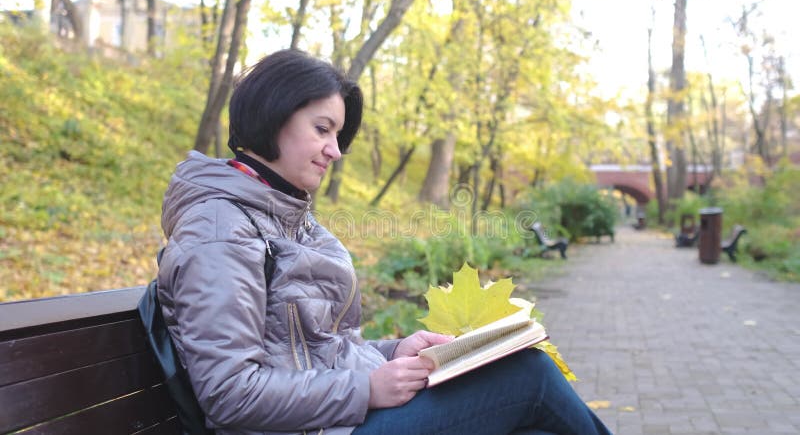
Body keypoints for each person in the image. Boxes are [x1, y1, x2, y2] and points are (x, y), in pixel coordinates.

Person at [157, 49, 612, 435]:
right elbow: (229, 393)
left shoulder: (285, 216)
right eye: (322, 129)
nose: (335, 150)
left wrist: (395, 351)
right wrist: (368, 388)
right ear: (273, 115)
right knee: (527, 374)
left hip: (330, 422)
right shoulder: (219, 229)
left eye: (337, 135)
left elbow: (317, 350)